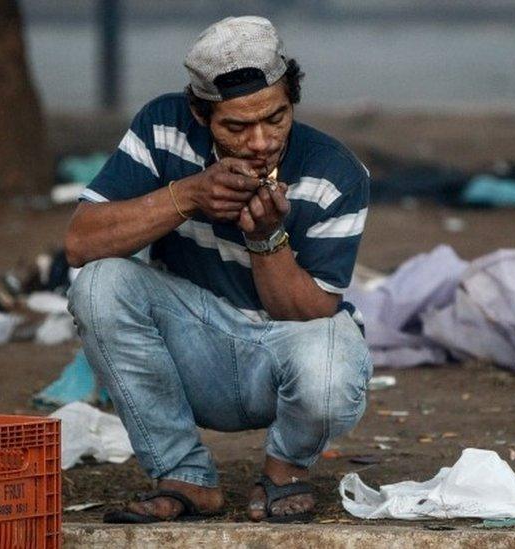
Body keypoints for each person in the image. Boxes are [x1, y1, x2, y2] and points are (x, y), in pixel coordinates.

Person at [64, 16, 371, 523]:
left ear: (292, 98)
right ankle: (184, 475)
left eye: (275, 118)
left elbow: (311, 312)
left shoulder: (336, 172)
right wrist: (187, 194)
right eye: (236, 126)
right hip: (192, 341)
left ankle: (284, 472)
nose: (259, 142)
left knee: (335, 351)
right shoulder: (164, 127)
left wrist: (267, 239)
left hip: (282, 348)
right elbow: (80, 242)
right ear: (200, 115)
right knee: (99, 285)